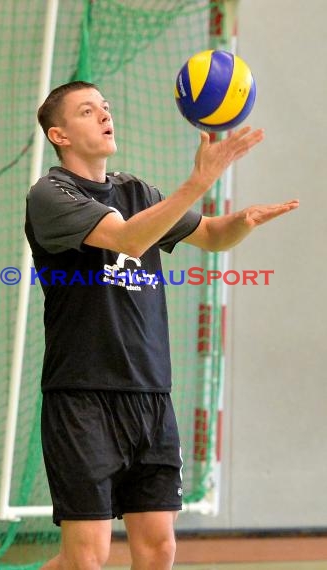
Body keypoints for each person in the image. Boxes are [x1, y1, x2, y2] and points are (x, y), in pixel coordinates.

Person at [25, 80, 299, 570]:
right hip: (84, 396)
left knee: (158, 550)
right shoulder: (50, 194)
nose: (105, 115)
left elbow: (212, 235)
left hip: (150, 393)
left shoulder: (138, 191)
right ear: (59, 135)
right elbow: (128, 240)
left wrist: (244, 221)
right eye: (87, 111)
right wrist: (199, 181)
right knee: (85, 559)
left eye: (105, 106)